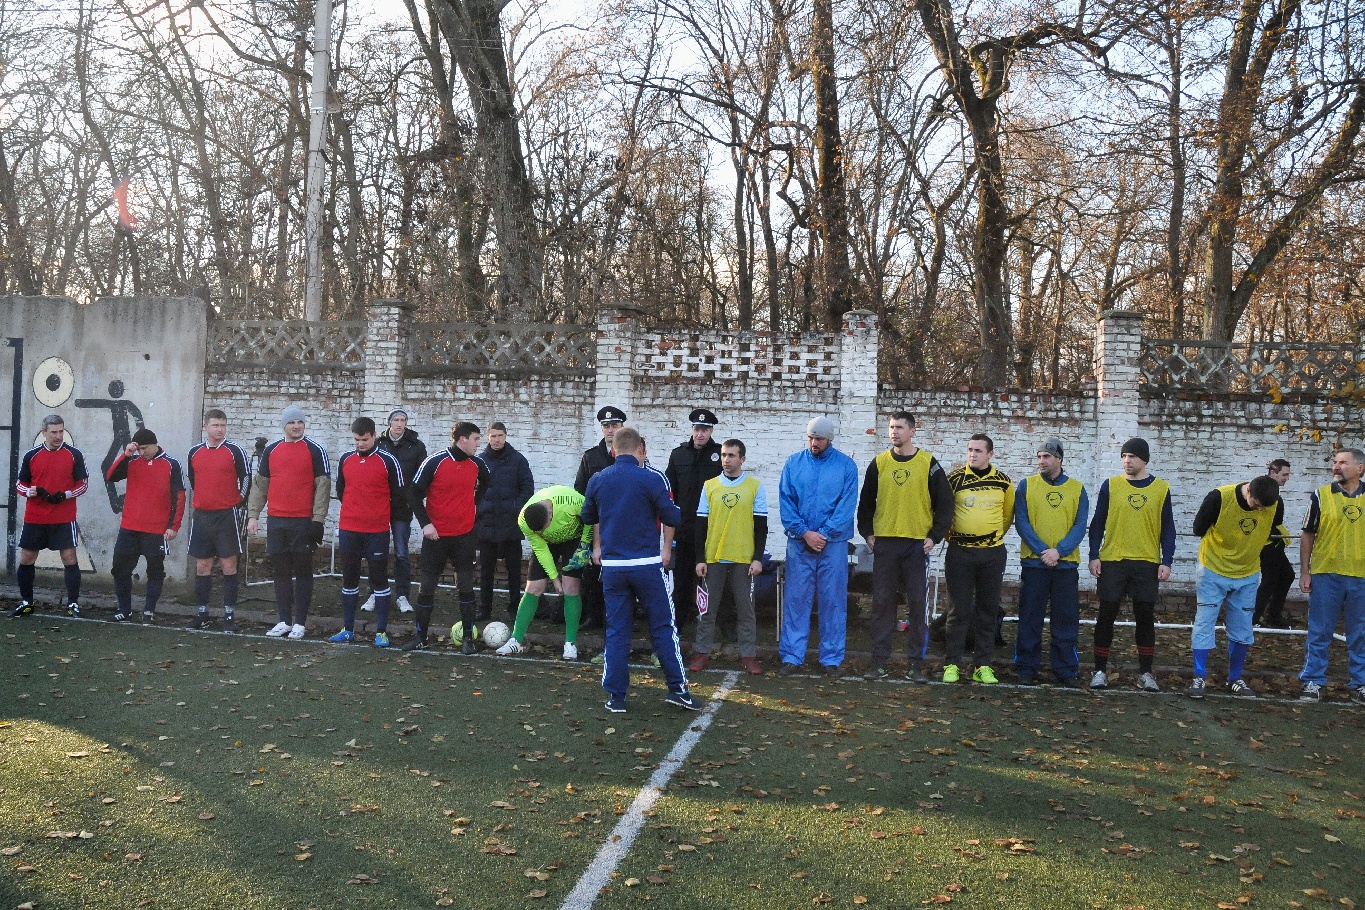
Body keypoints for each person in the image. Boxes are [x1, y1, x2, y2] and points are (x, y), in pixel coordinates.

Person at [581, 426, 696, 713]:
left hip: (613, 567)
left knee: (617, 631)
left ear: (614, 450)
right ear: (640, 450)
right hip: (646, 565)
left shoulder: (598, 479)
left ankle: (616, 696)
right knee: (663, 627)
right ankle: (678, 689)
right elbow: (672, 517)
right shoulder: (651, 478)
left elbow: (587, 516)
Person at [856, 411, 952, 683]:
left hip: (916, 546)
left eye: (899, 427)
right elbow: (866, 502)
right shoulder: (879, 463)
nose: (894, 431)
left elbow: (945, 504)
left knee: (918, 604)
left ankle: (915, 665)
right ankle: (878, 663)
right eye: (891, 427)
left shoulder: (928, 463)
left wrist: (934, 536)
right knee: (882, 604)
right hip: (885, 544)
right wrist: (867, 532)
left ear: (912, 431)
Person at [1087, 437, 1175, 691]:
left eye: (1132, 456)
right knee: (1106, 616)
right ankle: (1099, 670)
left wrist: (1166, 561)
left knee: (1145, 618)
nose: (1127, 461)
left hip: (1147, 562)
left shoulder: (1161, 488)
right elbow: (1097, 523)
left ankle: (1146, 673)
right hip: (1113, 560)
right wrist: (1094, 555)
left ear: (1144, 459)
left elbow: (1168, 528)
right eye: (1124, 456)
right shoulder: (1110, 485)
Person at [776, 416, 859, 678]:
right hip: (800, 544)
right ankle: (792, 656)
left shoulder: (846, 466)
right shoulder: (793, 463)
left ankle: (831, 659)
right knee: (796, 600)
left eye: (819, 439)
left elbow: (846, 507)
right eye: (811, 437)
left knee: (833, 601)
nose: (814, 443)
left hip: (832, 545)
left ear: (829, 439)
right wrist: (804, 533)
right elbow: (786, 503)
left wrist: (822, 534)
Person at [1188, 474, 1282, 698]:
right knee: (1204, 623)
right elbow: (1198, 529)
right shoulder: (1218, 498)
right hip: (1212, 569)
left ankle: (1235, 678)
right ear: (1248, 490)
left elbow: (1270, 529)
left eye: (1264, 507)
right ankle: (1199, 676)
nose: (1260, 510)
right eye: (1256, 505)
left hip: (1248, 573)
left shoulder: (1274, 504)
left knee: (1242, 627)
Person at [245, 405, 331, 639]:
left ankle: (300, 623)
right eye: (292, 422)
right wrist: (253, 515)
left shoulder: (315, 450)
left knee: (303, 570)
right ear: (284, 425)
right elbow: (260, 486)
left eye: (300, 422)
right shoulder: (271, 451)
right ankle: (284, 620)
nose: (296, 426)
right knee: (281, 571)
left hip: (302, 522)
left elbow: (323, 487)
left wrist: (318, 520)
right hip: (276, 520)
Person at [405, 421, 490, 653]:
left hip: (465, 536)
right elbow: (413, 493)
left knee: (466, 586)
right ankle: (420, 636)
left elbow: (487, 483)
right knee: (427, 587)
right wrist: (426, 524)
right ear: (463, 439)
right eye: (476, 439)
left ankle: (467, 640)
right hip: (436, 537)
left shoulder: (477, 464)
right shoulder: (435, 461)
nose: (479, 444)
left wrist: (474, 504)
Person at [1013, 438, 1089, 687]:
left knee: (1066, 620)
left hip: (1065, 567)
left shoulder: (1077, 489)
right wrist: (1043, 551)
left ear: (1059, 459)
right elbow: (1021, 522)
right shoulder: (1026, 486)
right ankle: (1026, 667)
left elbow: (1080, 526)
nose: (1041, 461)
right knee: (1029, 618)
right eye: (1039, 456)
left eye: (1046, 456)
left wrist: (1060, 552)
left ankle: (1066, 669)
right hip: (1034, 565)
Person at [689, 438, 768, 675]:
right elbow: (700, 526)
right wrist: (700, 558)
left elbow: (761, 527)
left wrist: (757, 558)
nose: (726, 460)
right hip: (714, 558)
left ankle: (748, 656)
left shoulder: (755, 486)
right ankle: (702, 653)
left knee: (746, 611)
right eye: (724, 455)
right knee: (706, 610)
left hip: (743, 559)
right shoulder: (710, 486)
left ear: (742, 459)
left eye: (731, 455)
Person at [941, 434, 1014, 685]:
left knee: (988, 610)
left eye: (978, 451)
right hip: (959, 553)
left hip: (992, 554)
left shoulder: (1003, 482)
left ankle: (982, 665)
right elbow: (945, 512)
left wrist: (988, 538)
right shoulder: (954, 479)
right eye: (970, 450)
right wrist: (957, 537)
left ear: (990, 454)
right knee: (958, 610)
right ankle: (952, 664)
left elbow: (1006, 517)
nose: (973, 454)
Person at [329, 417, 406, 647]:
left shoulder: (388, 461)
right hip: (349, 529)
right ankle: (348, 629)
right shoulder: (346, 459)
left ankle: (381, 632)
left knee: (379, 579)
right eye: (356, 440)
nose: (360, 444)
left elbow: (399, 495)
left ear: (374, 436)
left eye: (364, 439)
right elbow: (341, 490)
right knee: (349, 579)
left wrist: (377, 513)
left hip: (376, 531)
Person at [1297, 448, 1365, 704]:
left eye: (1343, 463)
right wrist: (1305, 571)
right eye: (1335, 462)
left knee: (1361, 633)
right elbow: (1308, 534)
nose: (1336, 466)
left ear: (1360, 468)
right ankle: (1313, 681)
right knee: (1320, 631)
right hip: (1326, 575)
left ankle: (1360, 684)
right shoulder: (1321, 495)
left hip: (1361, 577)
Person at [495, 485, 593, 659]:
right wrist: (554, 579)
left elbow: (591, 518)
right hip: (546, 544)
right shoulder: (524, 520)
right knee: (533, 587)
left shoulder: (572, 501)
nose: (543, 531)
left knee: (571, 587)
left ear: (550, 513)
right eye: (539, 531)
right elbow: (541, 550)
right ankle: (516, 640)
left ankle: (570, 643)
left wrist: (584, 545)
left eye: (544, 527)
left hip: (574, 539)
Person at [105, 429, 186, 623]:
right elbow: (111, 476)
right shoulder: (132, 461)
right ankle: (124, 609)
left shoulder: (172, 464)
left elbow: (179, 496)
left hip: (156, 529)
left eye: (145, 448)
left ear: (154, 444)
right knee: (120, 569)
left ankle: (149, 611)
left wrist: (174, 526)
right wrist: (126, 455)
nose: (142, 452)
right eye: (139, 449)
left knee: (155, 571)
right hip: (129, 527)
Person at [12, 414, 88, 617]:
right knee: (27, 558)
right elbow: (20, 484)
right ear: (43, 432)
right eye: (53, 432)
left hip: (64, 517)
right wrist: (29, 491)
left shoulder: (74, 454)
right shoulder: (31, 455)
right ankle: (26, 602)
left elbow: (83, 484)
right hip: (35, 517)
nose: (58, 436)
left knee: (69, 557)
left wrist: (65, 495)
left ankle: (72, 604)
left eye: (61, 431)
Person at [187, 409, 250, 632]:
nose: (220, 429)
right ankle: (202, 613)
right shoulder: (194, 452)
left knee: (228, 565)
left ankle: (229, 616)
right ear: (205, 427)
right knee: (202, 565)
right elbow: (194, 480)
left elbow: (246, 478)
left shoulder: (235, 451)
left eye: (223, 425)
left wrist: (238, 502)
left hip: (226, 516)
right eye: (215, 425)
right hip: (202, 516)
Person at [666, 408, 723, 631]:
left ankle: (716, 626)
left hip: (712, 530)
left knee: (714, 581)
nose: (700, 434)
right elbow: (670, 492)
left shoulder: (720, 455)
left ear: (711, 431)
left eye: (705, 430)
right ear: (692, 429)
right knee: (682, 581)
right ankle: (678, 625)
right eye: (697, 429)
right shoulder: (678, 455)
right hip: (685, 529)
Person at [574, 406, 627, 631]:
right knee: (593, 571)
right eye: (606, 426)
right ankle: (593, 616)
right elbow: (580, 490)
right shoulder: (591, 457)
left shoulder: (630, 455)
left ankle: (621, 618)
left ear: (622, 427)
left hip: (622, 522)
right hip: (597, 522)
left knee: (622, 573)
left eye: (615, 425)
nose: (610, 430)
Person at [476, 422, 534, 622]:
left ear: (506, 436)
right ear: (487, 437)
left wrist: (516, 508)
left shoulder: (518, 460)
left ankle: (514, 609)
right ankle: (484, 609)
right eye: (493, 436)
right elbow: (472, 488)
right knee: (486, 571)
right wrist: (480, 508)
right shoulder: (479, 461)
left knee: (514, 572)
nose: (497, 439)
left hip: (511, 525)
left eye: (500, 435)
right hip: (487, 524)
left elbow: (527, 488)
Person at [371, 408, 427, 614]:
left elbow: (422, 476)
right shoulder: (378, 443)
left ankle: (402, 595)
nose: (399, 423)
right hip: (379, 506)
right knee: (377, 552)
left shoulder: (416, 446)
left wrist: (412, 499)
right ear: (389, 422)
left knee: (402, 553)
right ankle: (375, 592)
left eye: (403, 420)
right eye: (396, 419)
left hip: (403, 507)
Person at [1253, 459, 1295, 628]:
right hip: (1267, 545)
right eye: (1284, 474)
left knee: (1287, 575)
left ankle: (1273, 615)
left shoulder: (1274, 493)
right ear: (1272, 473)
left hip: (1275, 543)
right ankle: (1254, 618)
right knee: (1269, 580)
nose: (1287, 478)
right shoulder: (1262, 492)